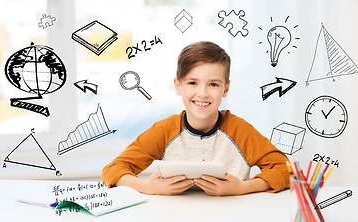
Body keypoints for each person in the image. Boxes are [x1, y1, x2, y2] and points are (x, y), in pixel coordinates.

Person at [102, 41, 290, 196]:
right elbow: (113, 169)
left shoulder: (240, 131)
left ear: (225, 89)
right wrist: (147, 187)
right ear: (178, 86)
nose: (203, 93)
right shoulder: (164, 130)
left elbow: (285, 170)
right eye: (192, 83)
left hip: (233, 221)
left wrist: (241, 188)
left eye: (213, 84)